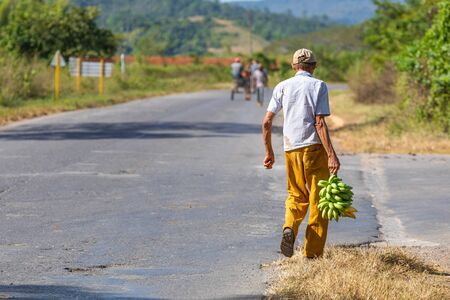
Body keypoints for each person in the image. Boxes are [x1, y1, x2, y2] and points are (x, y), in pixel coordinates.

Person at [261, 48, 340, 258]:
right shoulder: (319, 85)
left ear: (294, 66)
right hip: (314, 149)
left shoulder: (282, 86)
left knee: (296, 195)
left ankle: (289, 227)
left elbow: (267, 122)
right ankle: (312, 254)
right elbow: (319, 122)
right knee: (318, 199)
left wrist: (269, 152)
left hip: (291, 149)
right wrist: (331, 154)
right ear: (313, 66)